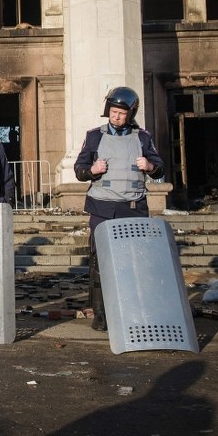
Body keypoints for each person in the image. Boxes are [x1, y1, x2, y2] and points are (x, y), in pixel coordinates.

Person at [73, 87, 165, 331]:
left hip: (133, 207)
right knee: (100, 261)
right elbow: (79, 169)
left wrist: (150, 166)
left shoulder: (143, 137)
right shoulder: (94, 136)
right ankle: (101, 314)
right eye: (113, 112)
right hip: (102, 208)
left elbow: (160, 167)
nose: (116, 117)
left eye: (121, 113)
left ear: (130, 114)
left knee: (133, 260)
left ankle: (132, 310)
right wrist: (91, 170)